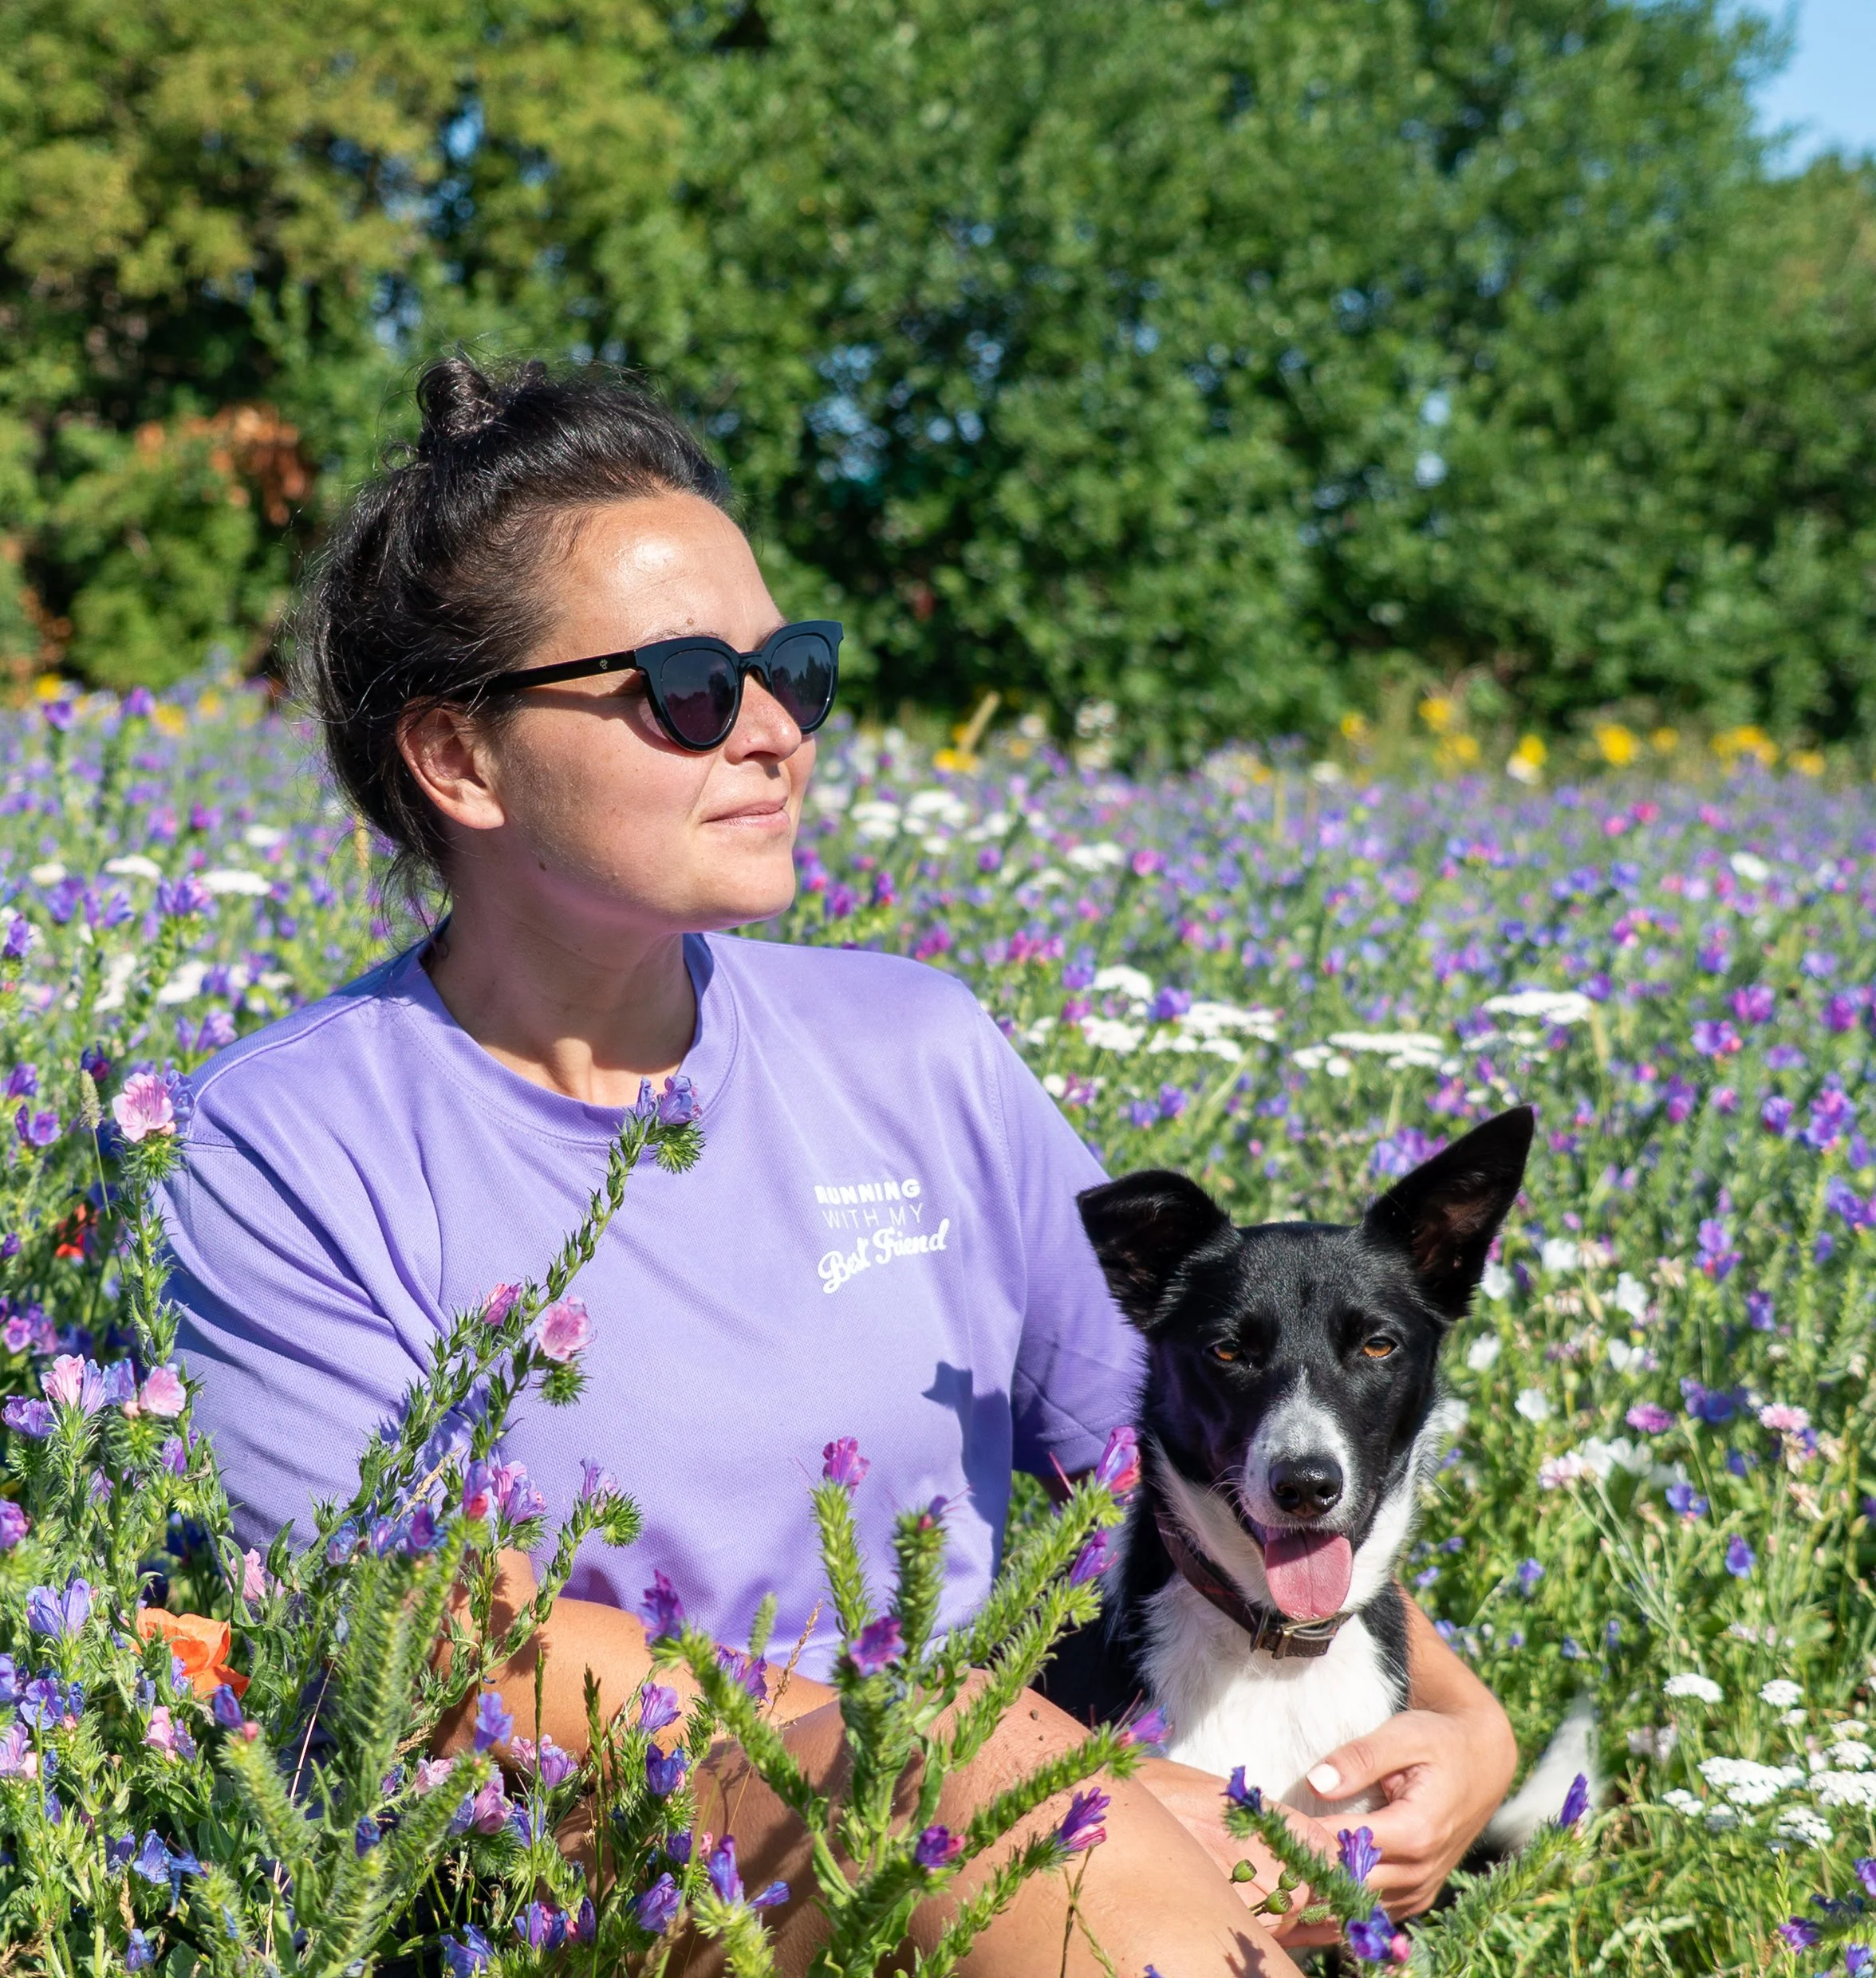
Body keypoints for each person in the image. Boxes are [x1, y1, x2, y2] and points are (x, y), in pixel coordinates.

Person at [167, 355, 1517, 1972]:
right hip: (597, 1858)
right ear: (459, 758)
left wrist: (1457, 1722)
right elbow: (449, 1654)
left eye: (788, 669)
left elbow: (1198, 1452)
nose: (771, 732)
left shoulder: (915, 1048)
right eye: (682, 685)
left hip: (1030, 1800)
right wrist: (1080, 1778)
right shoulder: (284, 1139)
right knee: (1015, 1806)